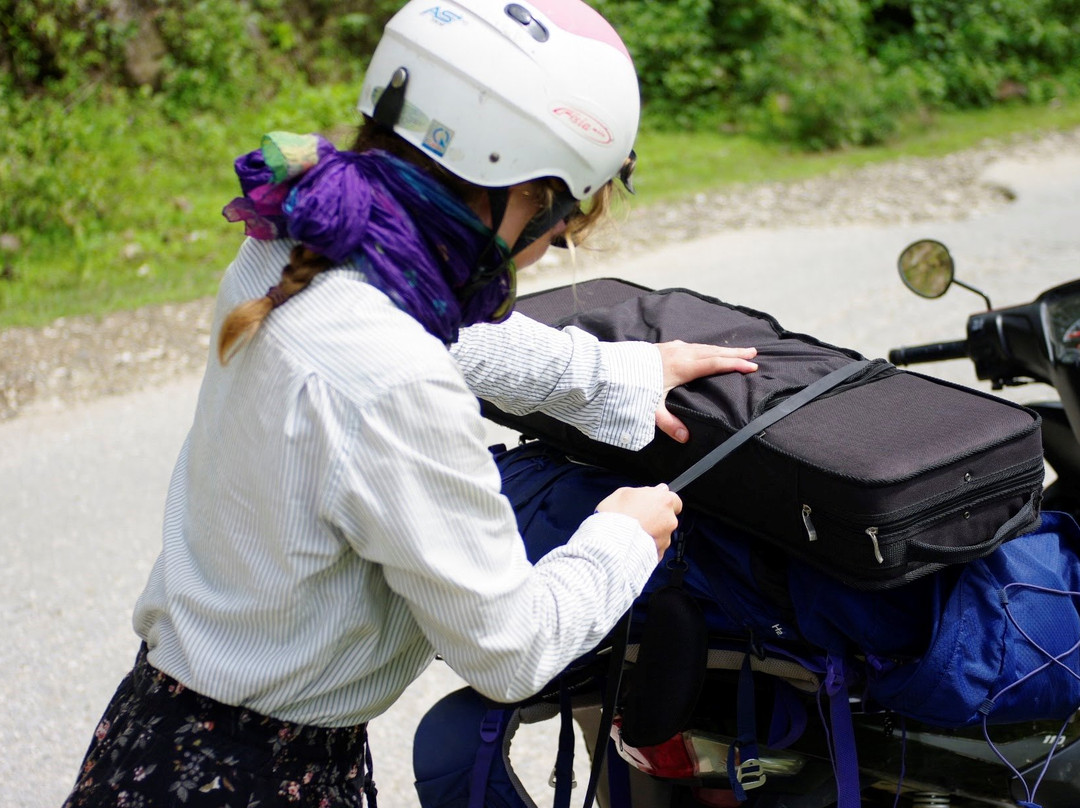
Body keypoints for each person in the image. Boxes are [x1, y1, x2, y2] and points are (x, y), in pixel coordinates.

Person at [61, 1, 758, 806]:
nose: (547, 249)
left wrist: (623, 373)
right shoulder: (394, 383)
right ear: (522, 188)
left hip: (158, 727)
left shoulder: (301, 237)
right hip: (257, 782)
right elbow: (512, 651)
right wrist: (621, 537)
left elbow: (453, 337)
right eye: (559, 223)